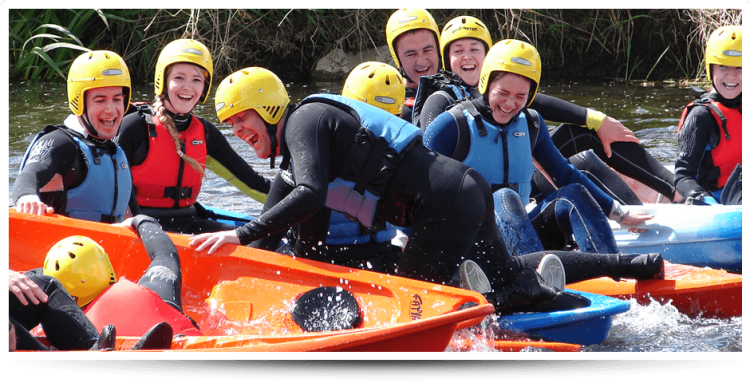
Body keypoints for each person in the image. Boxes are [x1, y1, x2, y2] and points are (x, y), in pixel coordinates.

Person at [191, 66, 573, 314]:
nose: (238, 131)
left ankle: (483, 304)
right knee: (510, 277)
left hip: (444, 206)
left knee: (408, 308)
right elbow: (311, 244)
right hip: (462, 191)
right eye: (230, 123)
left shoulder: (305, 121)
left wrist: (239, 234)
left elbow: (309, 193)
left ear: (270, 107)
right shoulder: (306, 154)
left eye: (242, 118)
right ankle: (539, 294)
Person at [424, 39, 663, 280]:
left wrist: (619, 214)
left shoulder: (531, 123)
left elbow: (565, 173)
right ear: (486, 83)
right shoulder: (451, 125)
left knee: (574, 193)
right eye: (503, 93)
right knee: (503, 197)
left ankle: (609, 275)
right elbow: (417, 185)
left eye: (520, 96)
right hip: (470, 244)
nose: (510, 104)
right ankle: (536, 285)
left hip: (517, 238)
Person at [409, 13, 678, 205]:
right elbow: (433, 162)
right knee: (579, 164)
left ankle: (672, 194)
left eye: (474, 48)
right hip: (483, 191)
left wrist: (597, 119)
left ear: (488, 55)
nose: (467, 56)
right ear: (447, 59)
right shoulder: (441, 100)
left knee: (586, 135)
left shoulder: (506, 88)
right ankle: (630, 213)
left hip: (518, 172)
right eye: (458, 51)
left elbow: (543, 105)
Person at [116, 39, 271, 235]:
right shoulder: (135, 126)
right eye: (179, 78)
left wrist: (307, 199)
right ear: (162, 81)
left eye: (196, 80)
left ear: (204, 87)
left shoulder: (205, 133)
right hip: (141, 226)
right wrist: (138, 226)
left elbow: (253, 184)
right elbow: (115, 186)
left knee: (264, 242)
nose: (188, 87)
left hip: (188, 222)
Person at [12, 50, 136, 223]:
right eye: (100, 101)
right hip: (65, 247)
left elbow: (132, 217)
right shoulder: (60, 143)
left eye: (117, 99)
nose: (111, 109)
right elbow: (29, 175)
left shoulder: (117, 154)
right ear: (79, 102)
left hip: (104, 248)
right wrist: (27, 197)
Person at [675, 26, 741, 205]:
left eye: (740, 68)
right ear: (710, 68)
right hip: (720, 200)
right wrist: (705, 203)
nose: (731, 76)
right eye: (723, 67)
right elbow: (682, 176)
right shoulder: (700, 116)